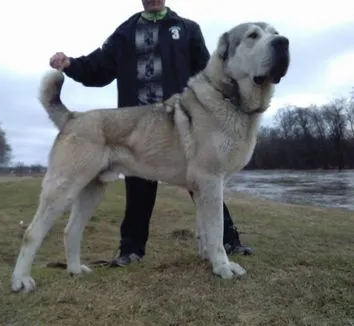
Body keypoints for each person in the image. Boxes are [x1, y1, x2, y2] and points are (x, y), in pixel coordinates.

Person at [49, 0, 253, 267]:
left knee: (207, 183)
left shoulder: (187, 29)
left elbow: (208, 75)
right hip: (137, 127)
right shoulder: (125, 32)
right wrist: (71, 64)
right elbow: (99, 69)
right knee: (138, 188)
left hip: (182, 124)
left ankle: (227, 240)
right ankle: (131, 251)